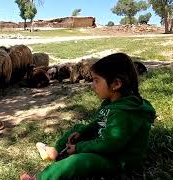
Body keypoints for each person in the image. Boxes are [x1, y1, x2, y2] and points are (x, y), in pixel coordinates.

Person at [21, 53, 156, 180]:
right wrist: (82, 133)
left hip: (117, 160)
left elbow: (110, 145)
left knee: (78, 161)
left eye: (96, 81)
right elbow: (99, 122)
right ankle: (56, 151)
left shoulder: (125, 113)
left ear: (116, 84)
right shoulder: (111, 102)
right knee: (79, 128)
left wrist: (79, 148)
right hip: (107, 145)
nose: (93, 86)